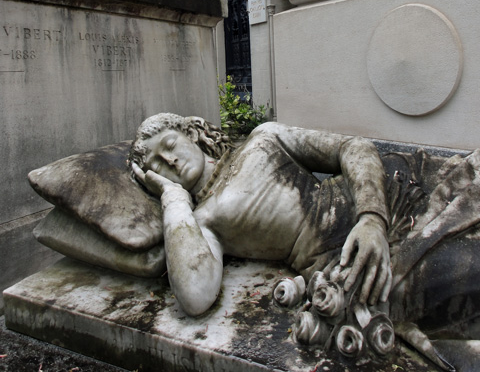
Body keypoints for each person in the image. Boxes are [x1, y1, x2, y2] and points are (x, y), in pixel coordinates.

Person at [129, 113, 396, 317]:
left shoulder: (264, 138)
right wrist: (173, 200)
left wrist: (372, 218)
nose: (170, 160)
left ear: (192, 133)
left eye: (170, 144)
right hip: (344, 263)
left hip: (381, 202)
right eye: (156, 165)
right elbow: (195, 296)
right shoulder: (201, 222)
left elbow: (353, 146)